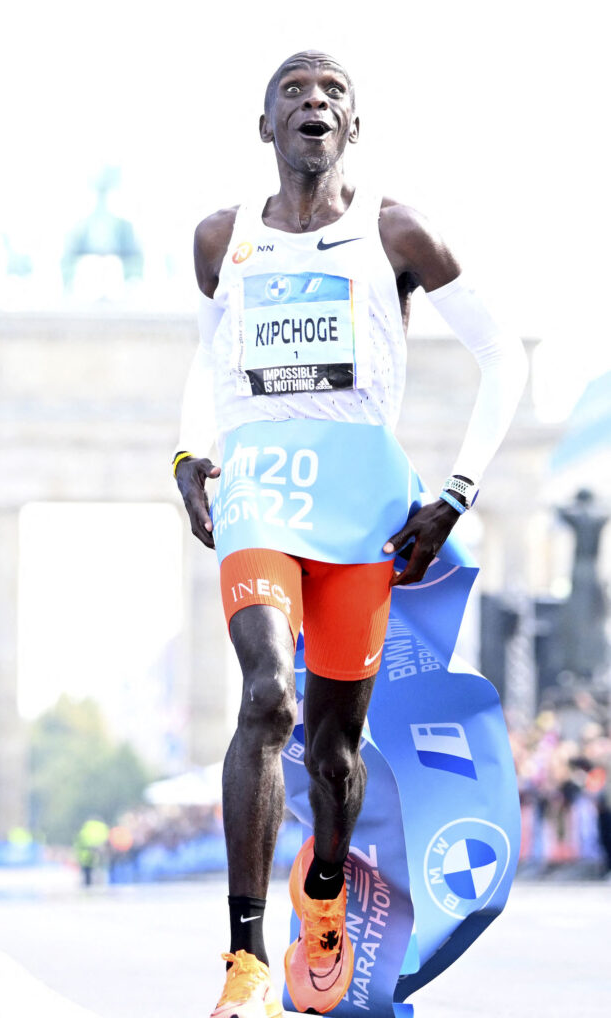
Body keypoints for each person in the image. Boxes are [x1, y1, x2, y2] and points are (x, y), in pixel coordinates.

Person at [174, 50, 527, 1018]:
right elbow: (204, 364)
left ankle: (322, 893)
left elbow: (500, 357)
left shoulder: (395, 229)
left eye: (332, 92)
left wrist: (453, 492)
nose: (313, 101)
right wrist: (186, 457)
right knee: (266, 697)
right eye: (293, 90)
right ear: (265, 127)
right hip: (258, 485)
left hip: (359, 499)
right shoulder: (222, 237)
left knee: (333, 751)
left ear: (351, 129)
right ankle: (245, 956)